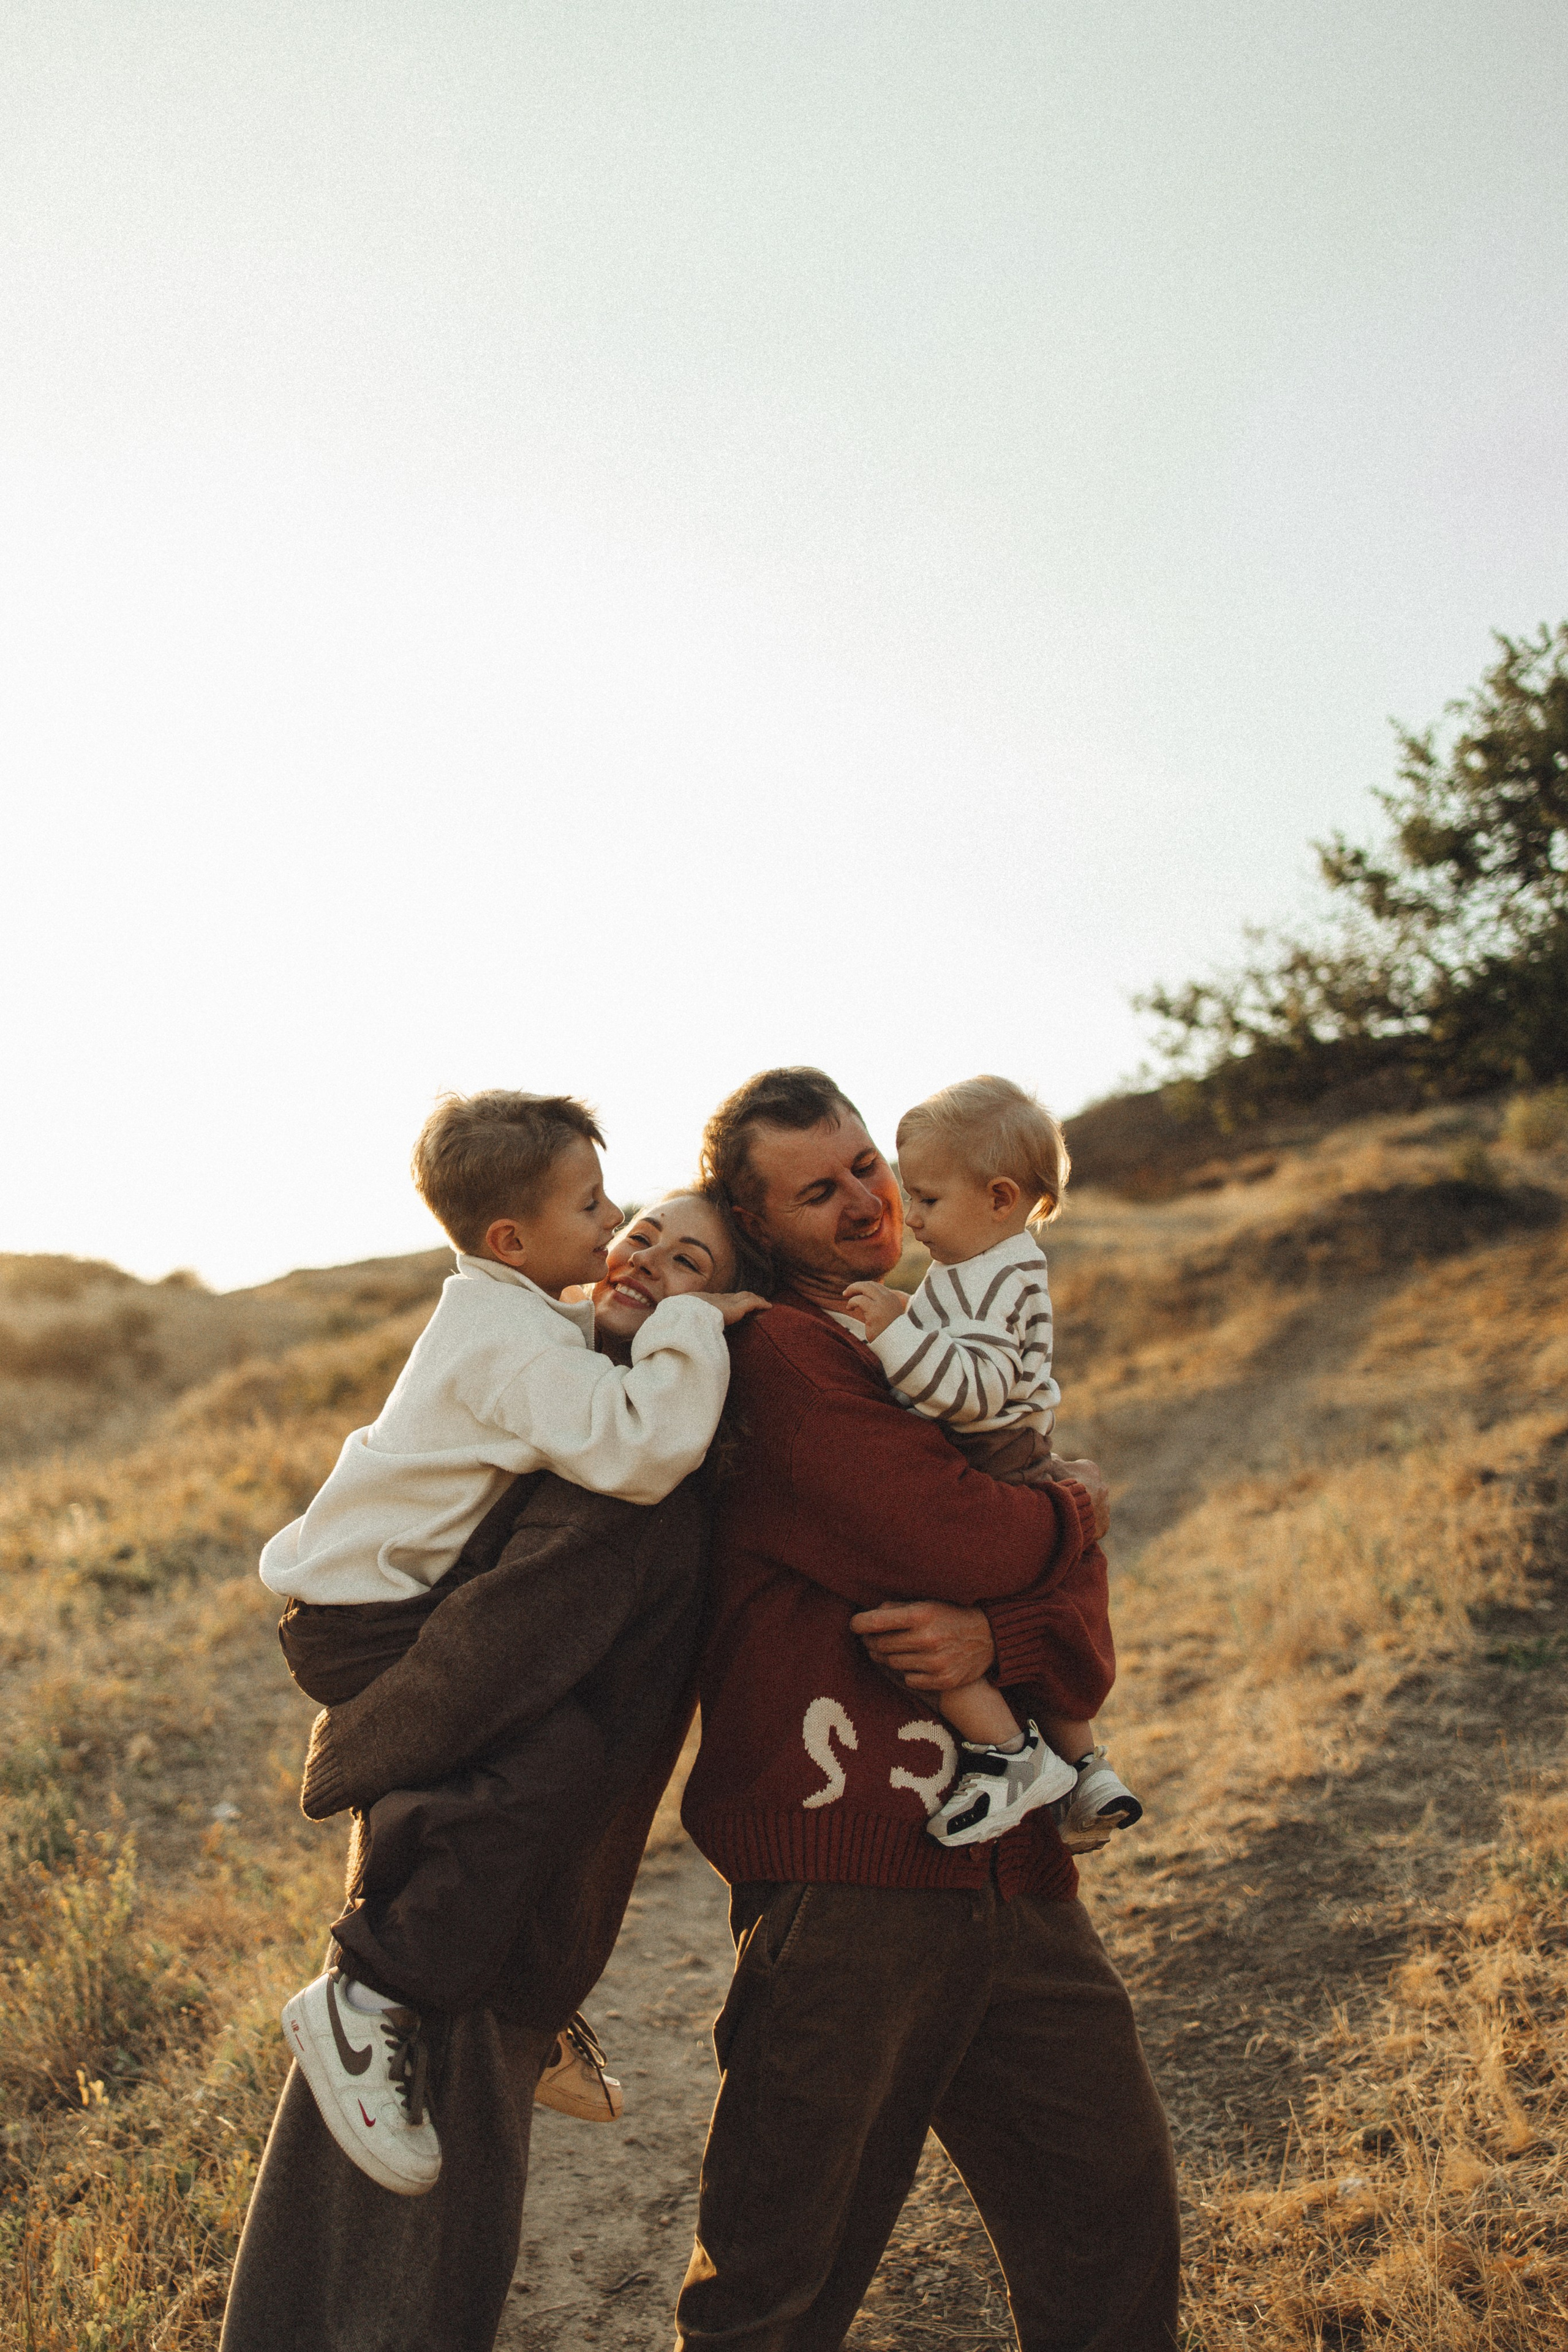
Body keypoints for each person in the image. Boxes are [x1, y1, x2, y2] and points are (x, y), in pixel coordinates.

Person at [675, 1066, 1179, 2352]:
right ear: (757, 1224)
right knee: (778, 2282)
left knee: (1108, 2225)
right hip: (855, 1883)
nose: (860, 1202)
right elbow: (958, 1536)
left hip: (1011, 1868)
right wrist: (1070, 1509)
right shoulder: (786, 1354)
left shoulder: (939, 1334)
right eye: (814, 1192)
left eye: (863, 1167)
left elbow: (1074, 1634)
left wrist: (1002, 1627)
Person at [221, 1180, 761, 2352]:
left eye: (687, 1265)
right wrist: (361, 1751)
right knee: (395, 2236)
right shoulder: (600, 1431)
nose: (642, 1258)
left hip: (486, 1864)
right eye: (637, 1235)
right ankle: (369, 2000)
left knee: (402, 2226)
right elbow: (488, 1651)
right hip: (453, 1856)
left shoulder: (607, 1396)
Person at [843, 1073, 1143, 1853]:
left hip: (991, 1459)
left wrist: (893, 1333)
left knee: (918, 1610)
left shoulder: (1001, 1277)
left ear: (1001, 1197)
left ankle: (1007, 1755)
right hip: (1004, 1456)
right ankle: (1087, 1766)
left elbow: (974, 1391)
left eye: (929, 1200)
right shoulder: (979, 1267)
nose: (911, 1220)